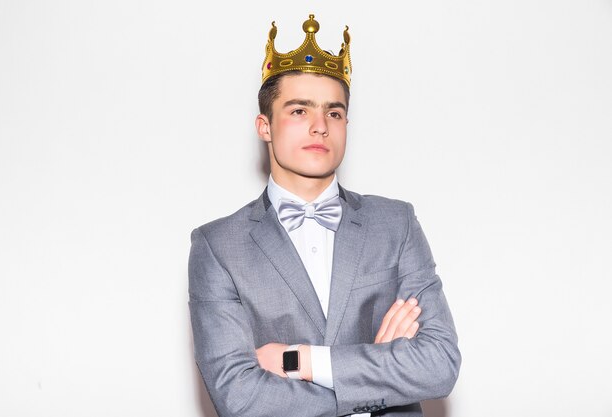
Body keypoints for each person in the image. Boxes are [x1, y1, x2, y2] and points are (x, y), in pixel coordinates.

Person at [188, 14, 461, 417]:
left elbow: (439, 364)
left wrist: (300, 361)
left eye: (334, 113)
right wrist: (377, 374)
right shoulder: (217, 245)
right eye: (299, 111)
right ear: (265, 126)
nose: (320, 126)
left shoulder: (396, 223)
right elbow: (240, 398)